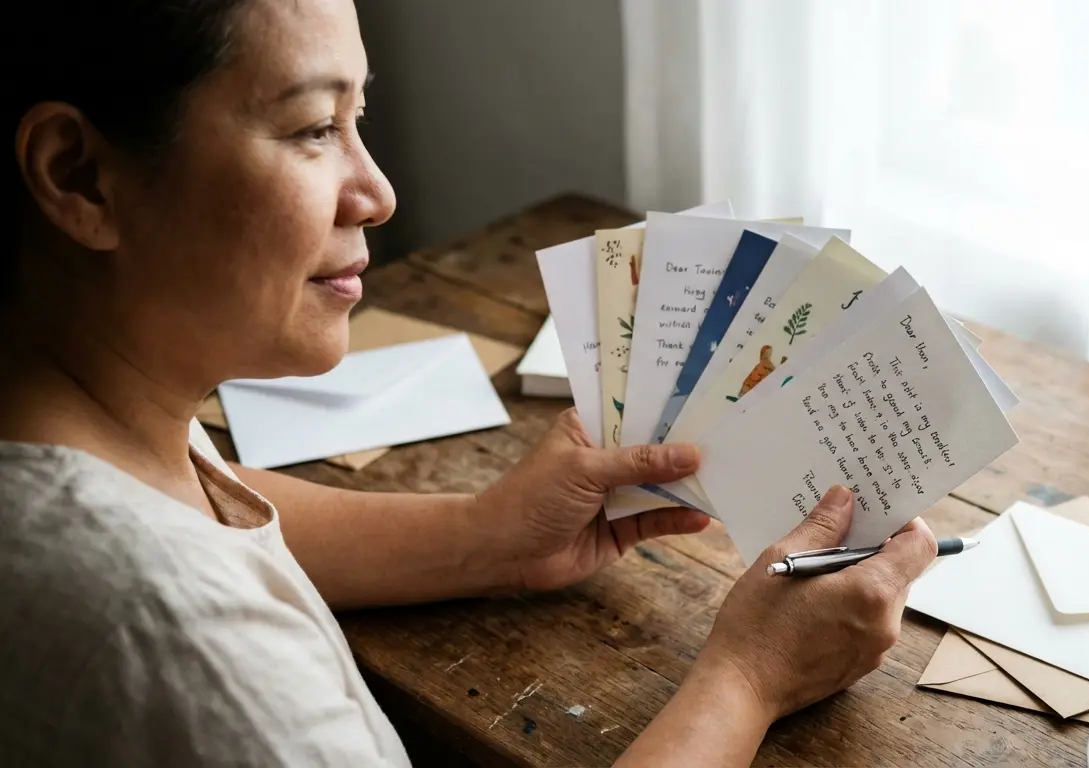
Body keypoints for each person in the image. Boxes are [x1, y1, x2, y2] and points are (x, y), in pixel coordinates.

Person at [0, 1, 938, 765]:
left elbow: (202, 513)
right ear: (79, 176)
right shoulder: (178, 642)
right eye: (314, 127)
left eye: (358, 118)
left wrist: (483, 539)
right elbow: (170, 574)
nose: (377, 192)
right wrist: (749, 678)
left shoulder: (85, 402)